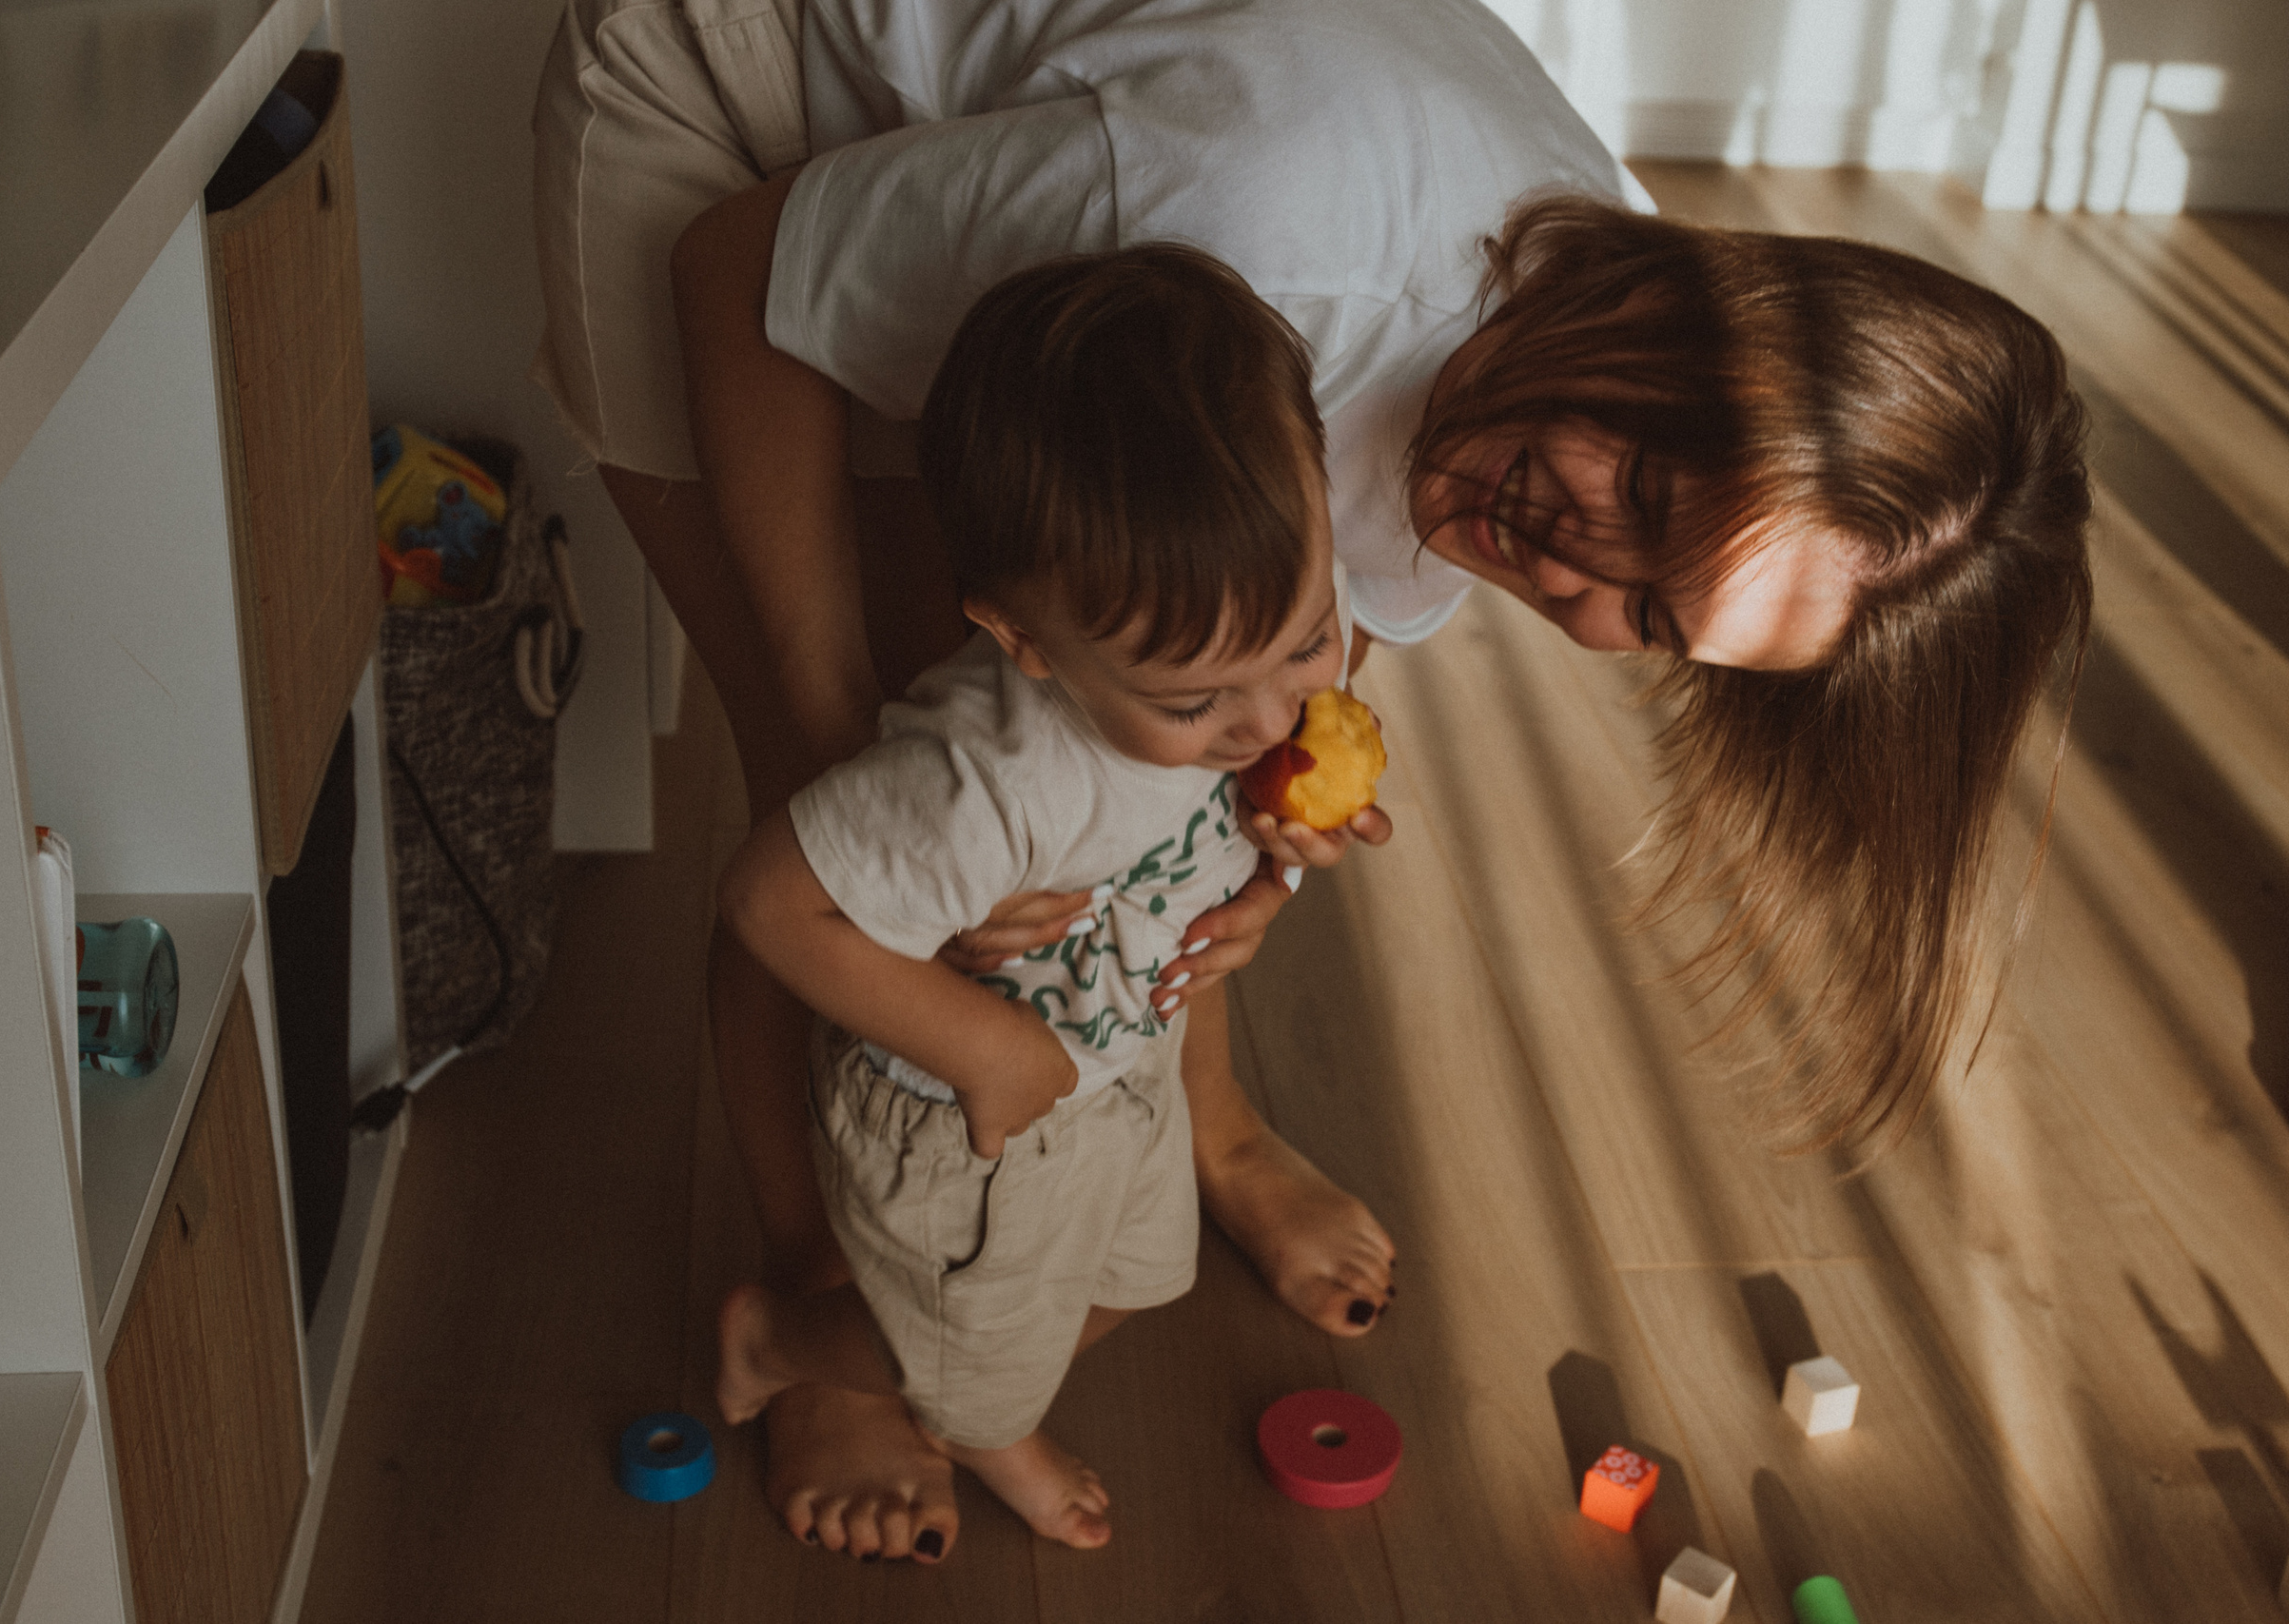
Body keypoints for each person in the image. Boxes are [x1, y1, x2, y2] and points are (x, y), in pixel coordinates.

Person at [531, 0, 2091, 1564]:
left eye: (1662, 614)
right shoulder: (1253, 220)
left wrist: (1266, 834)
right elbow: (743, 267)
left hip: (1043, 169)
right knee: (862, 820)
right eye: (1656, 488)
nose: (1568, 566)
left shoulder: (1563, 356)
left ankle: (1213, 1131)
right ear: (1687, 333)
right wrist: (845, 783)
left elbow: (1256, 714)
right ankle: (810, 1312)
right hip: (727, 92)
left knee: (1124, 757)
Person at [715, 243, 1340, 1550]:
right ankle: (784, 1346)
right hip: (971, 1129)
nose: (1270, 716)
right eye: (1197, 702)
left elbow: (1243, 749)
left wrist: (1284, 831)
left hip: (1121, 1066)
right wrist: (988, 1052)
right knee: (973, 1350)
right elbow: (773, 904)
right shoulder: (981, 782)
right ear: (1025, 642)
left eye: (1307, 641)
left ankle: (978, 1392)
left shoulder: (1228, 691)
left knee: (1134, 1282)